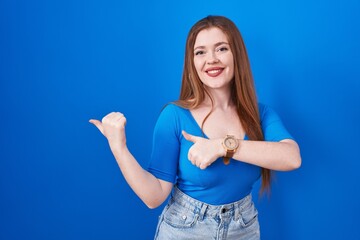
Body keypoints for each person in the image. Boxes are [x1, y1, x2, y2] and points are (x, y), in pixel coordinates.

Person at [89, 15, 301, 240]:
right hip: (185, 230)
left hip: (244, 229)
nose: (211, 59)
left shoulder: (260, 115)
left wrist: (222, 146)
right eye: (200, 52)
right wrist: (119, 148)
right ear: (192, 63)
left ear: (237, 55)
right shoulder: (174, 116)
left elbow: (292, 157)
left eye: (221, 49)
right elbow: (154, 197)